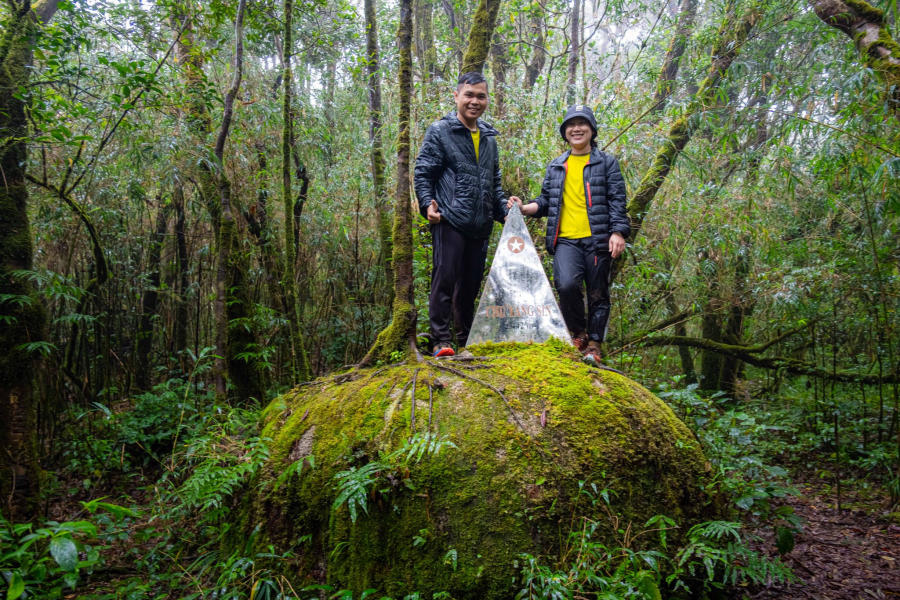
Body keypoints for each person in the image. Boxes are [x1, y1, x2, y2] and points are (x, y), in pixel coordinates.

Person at [510, 104, 629, 364]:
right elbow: (545, 202)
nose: (576, 129)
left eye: (582, 124)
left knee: (598, 292)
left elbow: (617, 200)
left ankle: (595, 345)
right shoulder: (556, 166)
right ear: (565, 132)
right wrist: (523, 208)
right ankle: (579, 333)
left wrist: (618, 232)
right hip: (565, 240)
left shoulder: (606, 163)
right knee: (566, 285)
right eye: (570, 125)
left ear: (592, 130)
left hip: (598, 239)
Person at [414, 72, 520, 357]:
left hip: (480, 224)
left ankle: (465, 340)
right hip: (450, 218)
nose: (475, 102)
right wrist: (427, 204)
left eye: (481, 96)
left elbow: (493, 184)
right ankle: (440, 340)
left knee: (470, 287)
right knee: (445, 280)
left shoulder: (488, 138)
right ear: (457, 97)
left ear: (487, 99)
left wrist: (505, 209)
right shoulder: (440, 131)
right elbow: (424, 172)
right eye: (469, 95)